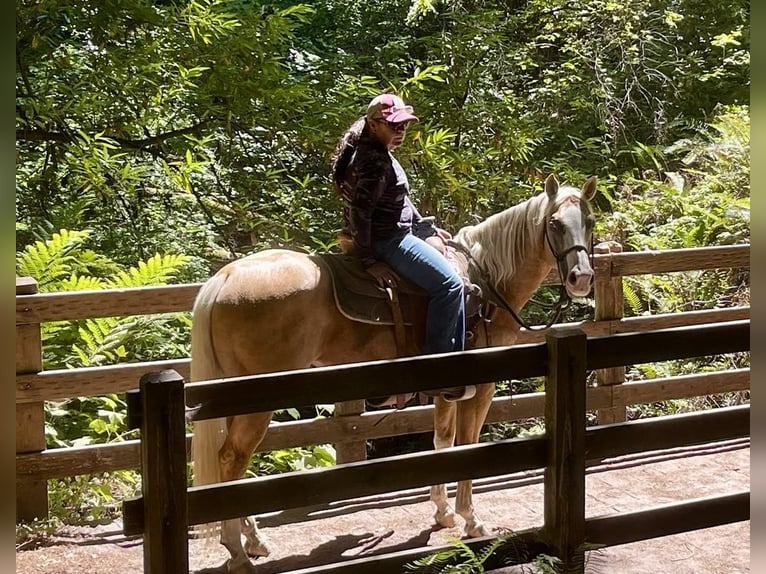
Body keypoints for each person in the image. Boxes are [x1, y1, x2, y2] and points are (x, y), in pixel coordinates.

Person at [330, 93, 466, 358]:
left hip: (392, 233)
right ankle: (440, 365)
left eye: (404, 124)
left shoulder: (376, 151)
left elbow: (397, 199)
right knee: (451, 286)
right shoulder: (375, 161)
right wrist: (369, 260)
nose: (401, 130)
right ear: (373, 123)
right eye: (394, 125)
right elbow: (359, 213)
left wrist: (425, 227)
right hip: (389, 241)